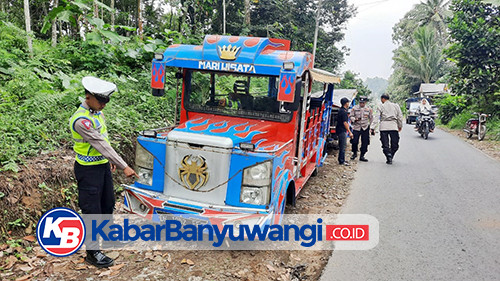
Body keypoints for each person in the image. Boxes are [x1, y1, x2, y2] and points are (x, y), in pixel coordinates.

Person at [69, 76, 138, 268]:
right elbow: (100, 144)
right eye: (101, 101)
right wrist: (124, 165)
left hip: (102, 166)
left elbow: (104, 141)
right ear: (88, 97)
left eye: (105, 102)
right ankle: (92, 252)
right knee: (92, 210)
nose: (103, 106)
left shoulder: (96, 112)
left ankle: (107, 238)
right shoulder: (81, 121)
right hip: (88, 170)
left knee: (107, 203)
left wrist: (109, 160)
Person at [371, 94, 403, 165]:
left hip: (384, 127)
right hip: (393, 126)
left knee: (385, 144)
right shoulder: (396, 106)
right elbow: (400, 117)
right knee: (395, 144)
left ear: (382, 99)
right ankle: (391, 154)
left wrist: (372, 127)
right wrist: (400, 126)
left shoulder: (380, 106)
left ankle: (388, 155)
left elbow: (376, 117)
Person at [350, 96, 373, 162]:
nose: (361, 104)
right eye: (360, 102)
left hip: (365, 127)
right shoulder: (354, 108)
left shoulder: (368, 109)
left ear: (365, 102)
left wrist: (371, 128)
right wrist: (354, 119)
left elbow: (371, 118)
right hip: (356, 127)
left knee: (365, 142)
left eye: (363, 102)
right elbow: (351, 116)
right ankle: (354, 153)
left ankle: (362, 155)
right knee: (354, 141)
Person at [336, 97, 354, 166]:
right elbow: (345, 123)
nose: (349, 104)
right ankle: (341, 161)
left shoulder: (341, 110)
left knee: (342, 146)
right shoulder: (343, 112)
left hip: (340, 130)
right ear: (346, 103)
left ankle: (342, 159)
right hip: (342, 130)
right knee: (343, 146)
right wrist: (349, 131)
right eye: (348, 102)